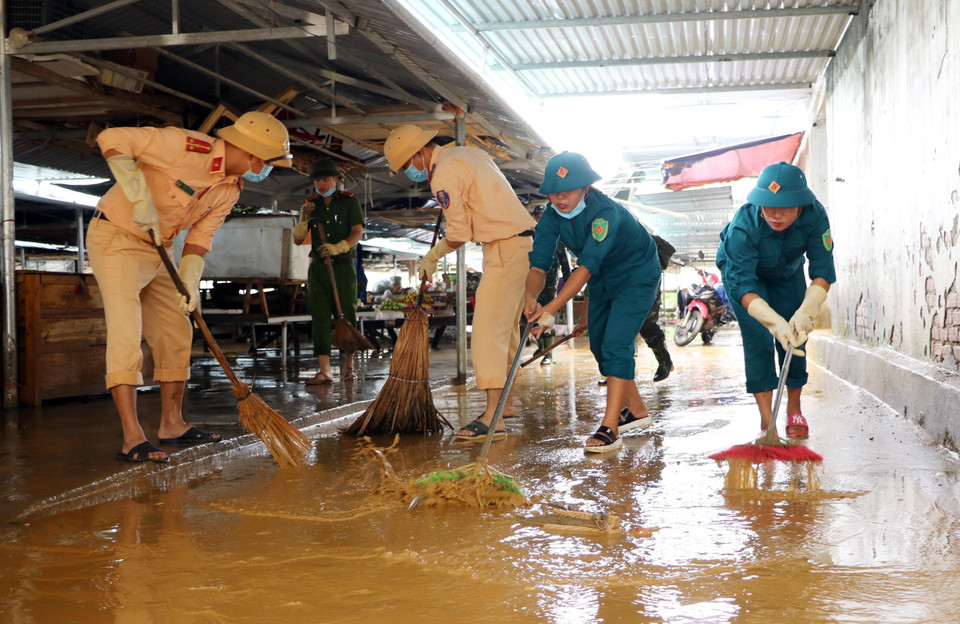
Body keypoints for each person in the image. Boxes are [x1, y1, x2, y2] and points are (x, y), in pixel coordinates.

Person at [87, 111, 293, 463]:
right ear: (250, 154)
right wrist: (140, 197)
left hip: (160, 248)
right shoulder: (184, 146)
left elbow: (201, 236)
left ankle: (172, 424)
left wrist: (191, 278)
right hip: (117, 237)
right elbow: (111, 139)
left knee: (176, 331)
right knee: (127, 331)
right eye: (268, 163)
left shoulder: (230, 188)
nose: (267, 171)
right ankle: (132, 437)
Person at [383, 124, 536, 440]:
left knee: (486, 332)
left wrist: (434, 255)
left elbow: (459, 233)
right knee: (505, 331)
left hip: (505, 248)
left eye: (406, 164)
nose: (407, 172)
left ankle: (493, 417)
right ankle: (504, 405)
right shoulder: (466, 154)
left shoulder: (444, 173)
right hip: (519, 245)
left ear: (418, 153)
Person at [524, 152, 662, 452]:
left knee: (616, 344)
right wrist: (531, 298)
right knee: (599, 345)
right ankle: (637, 412)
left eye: (568, 191)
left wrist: (553, 308)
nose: (559, 198)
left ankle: (610, 427)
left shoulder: (605, 213)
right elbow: (538, 266)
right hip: (603, 276)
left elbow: (584, 268)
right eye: (553, 191)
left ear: (585, 187)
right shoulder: (550, 216)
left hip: (637, 275)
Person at [715, 161, 836, 436]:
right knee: (758, 337)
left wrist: (807, 311)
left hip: (786, 272)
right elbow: (743, 286)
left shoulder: (815, 216)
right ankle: (766, 423)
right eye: (768, 206)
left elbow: (823, 270)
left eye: (784, 207)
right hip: (746, 278)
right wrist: (772, 322)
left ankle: (794, 408)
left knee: (795, 336)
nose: (775, 214)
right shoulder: (743, 227)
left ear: (801, 205)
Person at [293, 158, 365, 384]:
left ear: (336, 180)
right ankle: (325, 371)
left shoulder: (349, 202)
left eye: (325, 179)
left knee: (347, 316)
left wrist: (339, 247)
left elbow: (357, 233)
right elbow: (297, 240)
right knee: (320, 318)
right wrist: (303, 220)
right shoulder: (309, 204)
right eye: (317, 179)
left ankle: (350, 368)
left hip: (343, 268)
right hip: (318, 270)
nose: (321, 183)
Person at [530, 204, 572, 366]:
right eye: (538, 216)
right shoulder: (531, 238)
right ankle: (541, 347)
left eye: (542, 216)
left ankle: (548, 355)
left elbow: (565, 265)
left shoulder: (557, 239)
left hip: (549, 286)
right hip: (532, 286)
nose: (540, 219)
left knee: (546, 319)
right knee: (531, 319)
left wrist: (567, 288)